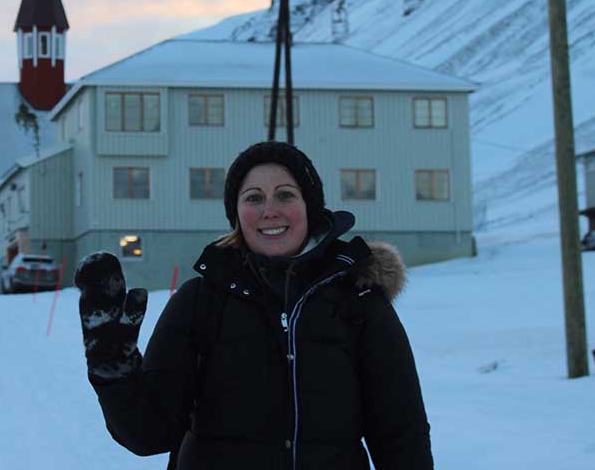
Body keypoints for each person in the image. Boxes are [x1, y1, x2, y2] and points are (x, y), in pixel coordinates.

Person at [74, 141, 433, 470]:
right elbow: (149, 433)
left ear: (309, 206)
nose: (269, 210)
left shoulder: (359, 300)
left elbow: (402, 435)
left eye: (285, 195)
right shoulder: (199, 302)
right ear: (237, 214)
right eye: (254, 198)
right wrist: (113, 371)